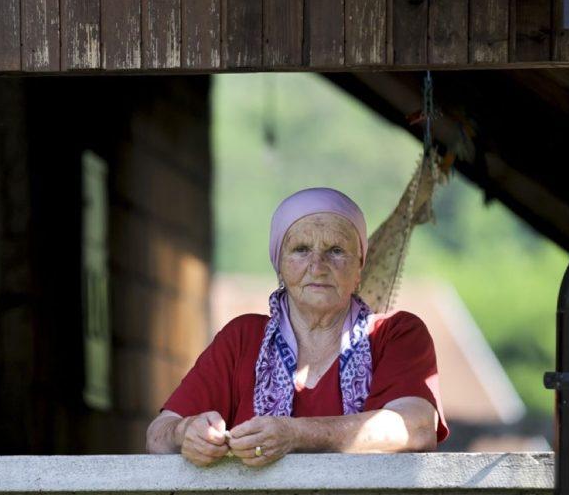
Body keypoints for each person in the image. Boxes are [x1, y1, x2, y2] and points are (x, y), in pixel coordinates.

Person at [146, 187, 448, 466]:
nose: (317, 266)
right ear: (280, 266)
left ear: (359, 268)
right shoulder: (242, 339)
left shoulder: (395, 335)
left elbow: (416, 428)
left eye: (336, 250)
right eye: (301, 249)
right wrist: (186, 432)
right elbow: (157, 435)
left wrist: (295, 434)